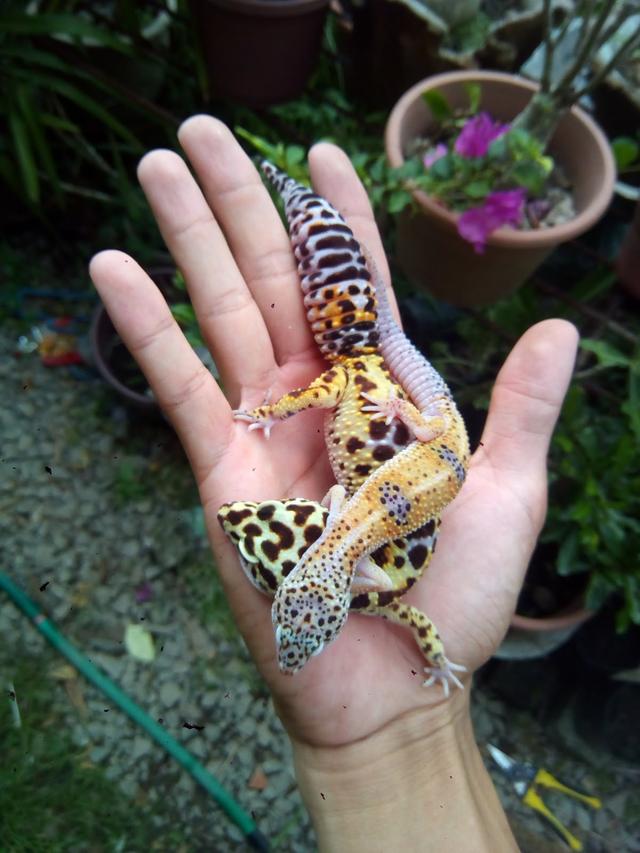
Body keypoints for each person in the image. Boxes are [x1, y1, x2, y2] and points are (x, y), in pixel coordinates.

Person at [90, 115, 579, 851]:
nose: (295, 641)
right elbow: (360, 544)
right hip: (431, 436)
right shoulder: (354, 554)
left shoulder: (352, 546)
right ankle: (319, 231)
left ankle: (320, 233)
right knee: (393, 342)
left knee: (392, 345)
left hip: (429, 439)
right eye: (302, 628)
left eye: (296, 624)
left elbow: (359, 531)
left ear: (301, 583)